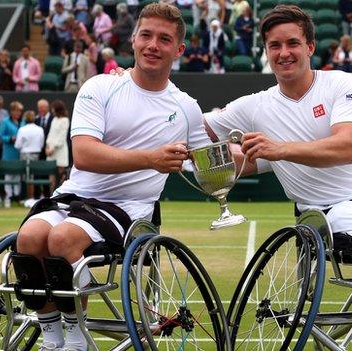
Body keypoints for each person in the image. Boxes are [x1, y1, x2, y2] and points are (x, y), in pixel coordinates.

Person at [203, 6, 352, 351]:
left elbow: (344, 148)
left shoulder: (343, 82)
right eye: (274, 46)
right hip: (322, 210)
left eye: (292, 43)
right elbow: (194, 126)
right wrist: (136, 83)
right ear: (266, 51)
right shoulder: (253, 106)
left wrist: (276, 150)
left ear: (310, 46)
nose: (284, 53)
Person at [15, 4, 211, 350]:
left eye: (164, 39)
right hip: (74, 194)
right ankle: (52, 336)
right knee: (29, 237)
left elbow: (208, 164)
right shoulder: (101, 86)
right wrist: (151, 158)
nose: (153, 45)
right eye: (146, 35)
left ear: (179, 50)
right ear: (133, 39)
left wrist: (270, 153)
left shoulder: (187, 107)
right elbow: (85, 155)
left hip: (129, 210)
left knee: (61, 239)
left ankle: (76, 338)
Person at [15, 110, 45, 202]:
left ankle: (30, 199)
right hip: (36, 155)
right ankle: (32, 198)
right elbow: (41, 144)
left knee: (28, 177)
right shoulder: (40, 129)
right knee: (32, 176)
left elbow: (17, 145)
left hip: (25, 155)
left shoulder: (22, 130)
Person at [0, 101, 24, 208]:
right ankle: (8, 197)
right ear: (12, 111)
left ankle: (17, 196)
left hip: (20, 152)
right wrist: (10, 138)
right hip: (8, 152)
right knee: (9, 176)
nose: (18, 113)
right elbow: (0, 136)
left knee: (17, 176)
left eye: (20, 111)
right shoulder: (5, 121)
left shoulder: (23, 122)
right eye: (17, 111)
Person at [45, 100, 70, 191]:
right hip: (51, 152)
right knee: (51, 176)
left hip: (60, 151)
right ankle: (52, 197)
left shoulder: (65, 120)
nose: (52, 110)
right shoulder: (54, 119)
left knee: (61, 175)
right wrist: (47, 147)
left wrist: (53, 148)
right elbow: (50, 134)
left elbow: (62, 137)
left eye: (53, 108)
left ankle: (61, 195)